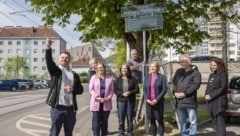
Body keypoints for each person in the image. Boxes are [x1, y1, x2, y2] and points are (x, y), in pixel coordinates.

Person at [45, 38, 84, 136]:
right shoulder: (56, 71)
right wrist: (48, 47)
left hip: (71, 109)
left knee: (69, 133)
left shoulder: (74, 75)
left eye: (66, 58)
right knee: (54, 133)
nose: (64, 59)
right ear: (59, 59)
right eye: (62, 57)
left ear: (69, 60)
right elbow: (49, 62)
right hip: (57, 108)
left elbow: (81, 90)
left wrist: (73, 89)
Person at [172, 55, 201, 136]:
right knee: (182, 121)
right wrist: (174, 92)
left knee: (192, 121)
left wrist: (184, 94)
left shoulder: (196, 73)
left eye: (183, 61)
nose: (181, 63)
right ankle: (183, 134)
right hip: (179, 102)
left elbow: (195, 85)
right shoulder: (178, 71)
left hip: (190, 101)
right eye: (180, 61)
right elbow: (174, 83)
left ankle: (192, 134)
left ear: (189, 62)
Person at [89, 62, 114, 136]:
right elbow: (91, 89)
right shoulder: (93, 77)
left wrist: (107, 98)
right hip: (96, 102)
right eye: (99, 67)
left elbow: (111, 90)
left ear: (104, 68)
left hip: (106, 102)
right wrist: (97, 97)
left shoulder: (110, 78)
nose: (100, 69)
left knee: (104, 121)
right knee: (96, 122)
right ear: (96, 69)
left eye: (102, 67)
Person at [143, 60, 167, 136]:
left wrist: (156, 99)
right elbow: (144, 89)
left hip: (158, 103)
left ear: (157, 67)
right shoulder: (147, 77)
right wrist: (147, 99)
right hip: (149, 103)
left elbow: (164, 89)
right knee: (152, 120)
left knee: (159, 120)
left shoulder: (162, 77)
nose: (151, 68)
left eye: (153, 66)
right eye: (150, 66)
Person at [114, 64, 139, 136]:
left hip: (130, 101)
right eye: (122, 68)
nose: (124, 70)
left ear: (128, 70)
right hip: (121, 101)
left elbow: (137, 89)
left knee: (130, 118)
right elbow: (115, 90)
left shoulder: (133, 79)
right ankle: (121, 132)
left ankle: (130, 132)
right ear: (120, 70)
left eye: (125, 68)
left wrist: (130, 92)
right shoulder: (117, 79)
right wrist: (122, 94)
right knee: (121, 119)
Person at [205, 58, 228, 136]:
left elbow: (223, 88)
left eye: (214, 65)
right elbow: (208, 87)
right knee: (215, 123)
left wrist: (211, 96)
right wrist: (206, 95)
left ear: (219, 65)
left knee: (220, 123)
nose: (212, 66)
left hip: (219, 103)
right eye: (211, 65)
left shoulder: (223, 75)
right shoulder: (211, 75)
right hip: (212, 103)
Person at [127, 49, 144, 120]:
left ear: (137, 54)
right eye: (132, 54)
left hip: (141, 83)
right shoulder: (129, 61)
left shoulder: (140, 60)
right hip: (132, 84)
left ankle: (139, 115)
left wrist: (140, 65)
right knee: (132, 100)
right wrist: (140, 65)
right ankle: (132, 116)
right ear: (130, 55)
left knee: (140, 99)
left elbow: (144, 66)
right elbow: (130, 68)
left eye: (135, 54)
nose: (134, 55)